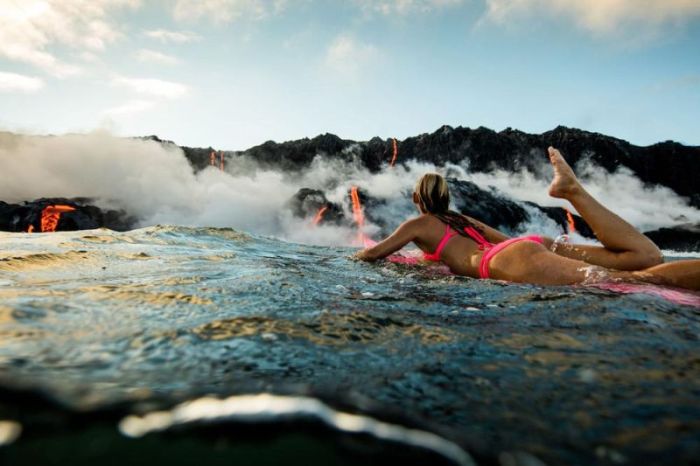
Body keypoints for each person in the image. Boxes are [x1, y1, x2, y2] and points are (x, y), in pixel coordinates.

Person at [354, 147, 700, 291]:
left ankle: (572, 191)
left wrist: (354, 256)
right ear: (446, 197)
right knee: (645, 259)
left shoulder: (418, 224)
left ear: (417, 198)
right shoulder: (463, 220)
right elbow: (505, 242)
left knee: (636, 282)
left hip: (508, 262)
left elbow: (372, 254)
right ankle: (573, 192)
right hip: (529, 247)